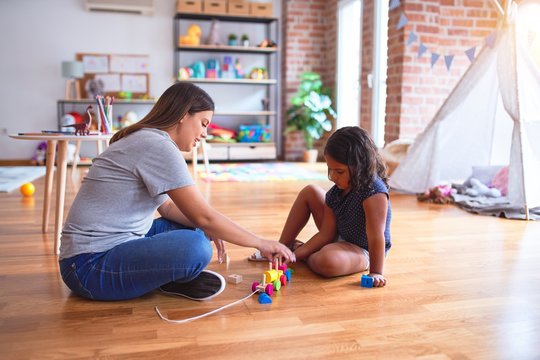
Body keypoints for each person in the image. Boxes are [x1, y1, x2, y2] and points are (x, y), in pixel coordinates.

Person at [59, 82, 295, 301]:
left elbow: (169, 208)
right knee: (197, 246)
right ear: (183, 115)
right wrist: (260, 242)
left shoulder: (147, 139)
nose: (205, 134)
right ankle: (163, 278)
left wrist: (207, 226)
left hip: (110, 248)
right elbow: (204, 215)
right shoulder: (157, 146)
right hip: (88, 267)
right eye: (203, 123)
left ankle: (162, 278)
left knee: (198, 228)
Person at [250, 126, 391, 287]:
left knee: (327, 262)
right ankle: (282, 247)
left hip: (362, 250)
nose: (332, 177)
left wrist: (376, 272)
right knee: (310, 191)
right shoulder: (336, 191)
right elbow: (326, 234)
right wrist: (289, 254)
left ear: (360, 166)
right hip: (338, 236)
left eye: (339, 171)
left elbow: (376, 237)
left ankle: (300, 252)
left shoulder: (374, 192)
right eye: (330, 170)